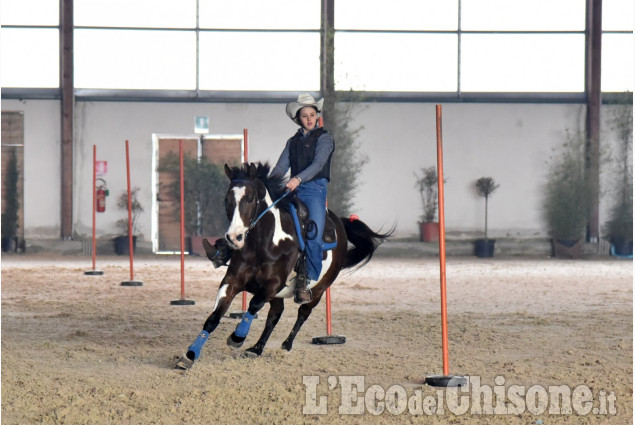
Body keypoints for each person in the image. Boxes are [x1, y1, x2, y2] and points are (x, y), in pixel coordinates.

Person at [270, 93, 335, 305]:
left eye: (312, 114)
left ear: (317, 116)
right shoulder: (292, 141)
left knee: (314, 232)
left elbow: (318, 164)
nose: (309, 118)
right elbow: (281, 167)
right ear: (299, 118)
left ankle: (308, 281)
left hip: (314, 190)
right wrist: (268, 184)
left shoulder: (325, 138)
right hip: (293, 189)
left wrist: (297, 178)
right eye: (304, 115)